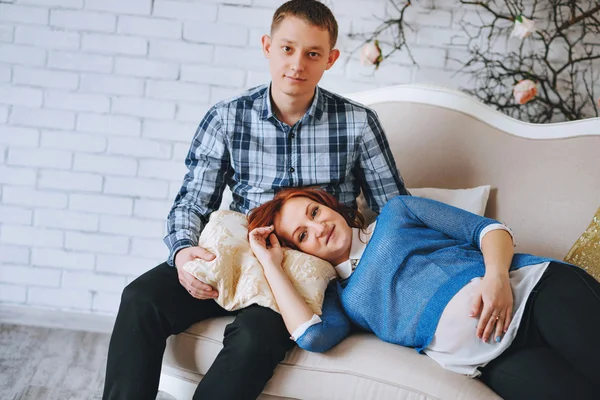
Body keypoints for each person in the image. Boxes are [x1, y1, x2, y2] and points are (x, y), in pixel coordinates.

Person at [101, 1, 409, 399]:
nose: (297, 63)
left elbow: (395, 210)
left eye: (312, 54)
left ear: (330, 59)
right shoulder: (227, 118)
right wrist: (182, 253)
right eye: (287, 48)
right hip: (237, 252)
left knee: (255, 336)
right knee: (141, 299)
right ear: (267, 46)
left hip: (299, 272)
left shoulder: (357, 123)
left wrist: (360, 270)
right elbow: (193, 201)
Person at [247, 188, 600, 400]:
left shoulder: (396, 213)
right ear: (301, 254)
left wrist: (496, 279)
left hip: (534, 294)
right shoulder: (341, 297)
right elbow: (312, 336)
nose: (319, 227)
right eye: (303, 235)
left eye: (314, 211)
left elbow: (489, 230)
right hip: (496, 361)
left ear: (330, 205)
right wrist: (271, 265)